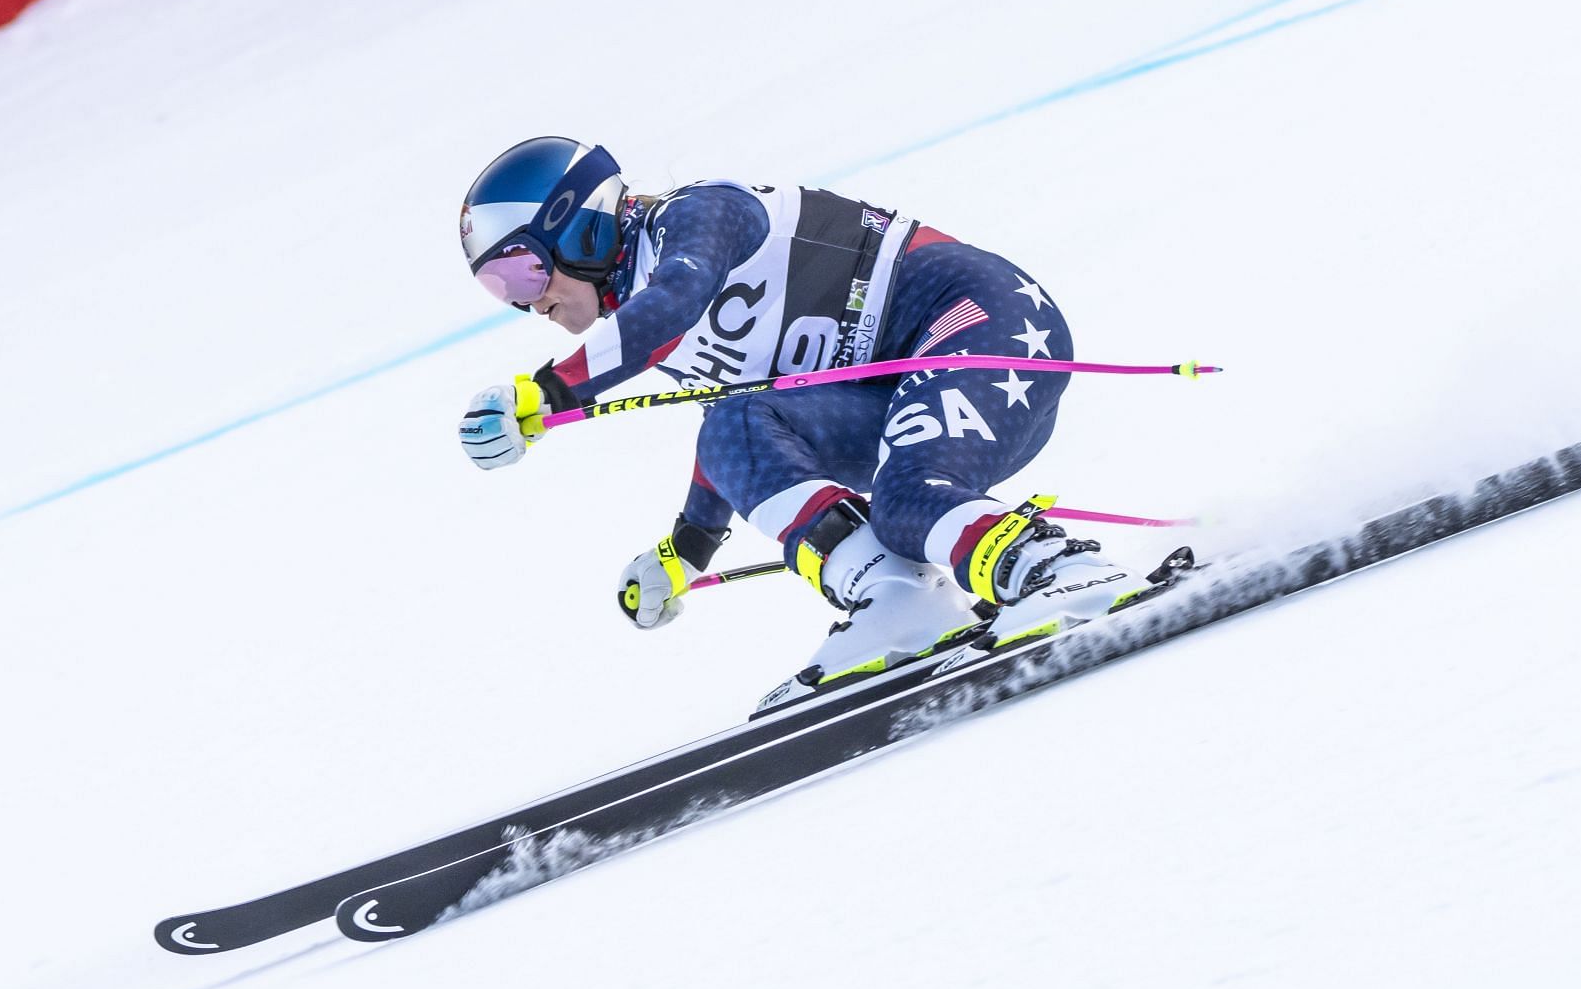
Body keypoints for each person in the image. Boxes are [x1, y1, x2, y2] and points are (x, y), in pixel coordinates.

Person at [456, 137, 1150, 699]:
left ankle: (1052, 566)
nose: (526, 304)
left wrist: (549, 392)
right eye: (499, 291)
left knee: (908, 499)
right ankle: (895, 595)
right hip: (904, 386)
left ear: (577, 227)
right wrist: (685, 552)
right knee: (735, 425)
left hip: (980, 322)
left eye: (520, 272)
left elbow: (674, 301)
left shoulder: (698, 216)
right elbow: (739, 431)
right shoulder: (639, 319)